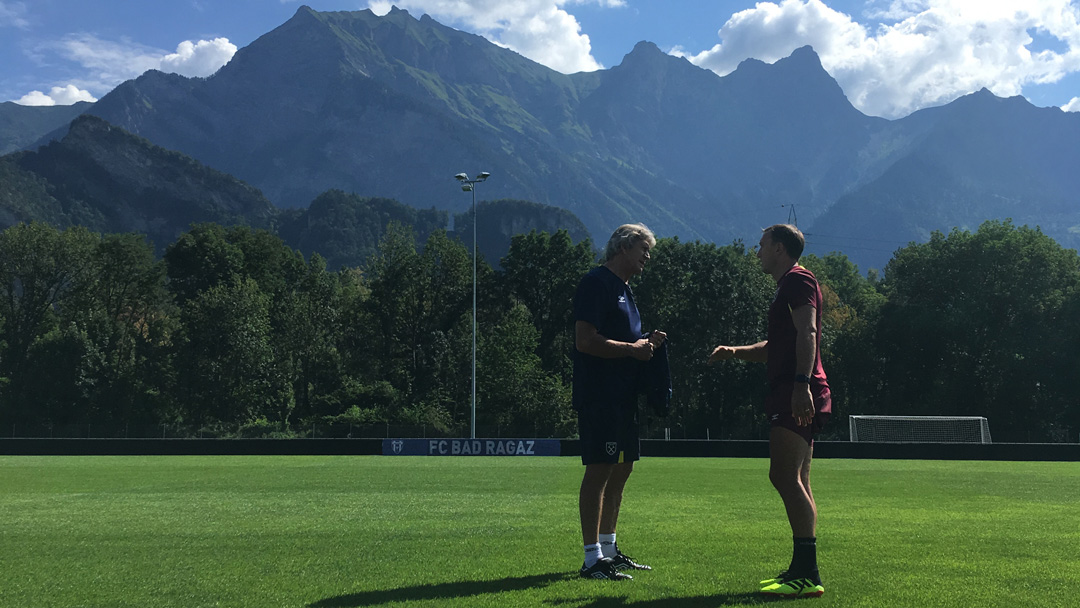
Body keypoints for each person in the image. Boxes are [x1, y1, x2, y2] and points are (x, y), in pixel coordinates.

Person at [708, 224, 831, 598]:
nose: (756, 250)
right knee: (799, 480)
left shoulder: (797, 281)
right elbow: (776, 344)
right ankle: (803, 570)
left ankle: (807, 573)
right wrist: (734, 351)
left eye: (761, 244)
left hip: (795, 390)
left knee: (783, 476)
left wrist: (800, 384)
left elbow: (807, 333)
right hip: (793, 388)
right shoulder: (787, 287)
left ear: (779, 248)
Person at [573, 223, 667, 581]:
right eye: (643, 249)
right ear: (624, 247)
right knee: (599, 469)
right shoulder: (595, 283)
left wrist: (646, 343)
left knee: (622, 469)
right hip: (601, 396)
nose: (647, 257)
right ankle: (591, 558)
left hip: (624, 398)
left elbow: (623, 338)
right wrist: (632, 349)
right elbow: (585, 340)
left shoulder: (625, 289)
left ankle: (609, 550)